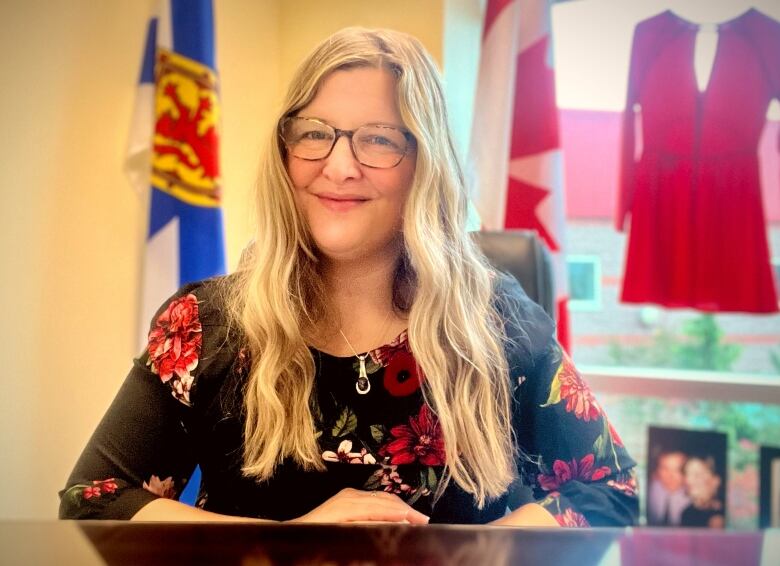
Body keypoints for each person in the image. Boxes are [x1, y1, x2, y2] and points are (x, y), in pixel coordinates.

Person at [59, 27, 638, 526]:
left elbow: (610, 491)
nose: (338, 167)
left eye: (378, 140)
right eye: (315, 133)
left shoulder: (492, 322)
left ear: (424, 165)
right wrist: (293, 542)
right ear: (285, 153)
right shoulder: (205, 325)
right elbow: (93, 501)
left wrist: (474, 552)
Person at [647, 450, 690, 526]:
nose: (670, 476)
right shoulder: (650, 489)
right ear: (657, 470)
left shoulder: (692, 497)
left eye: (677, 470)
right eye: (665, 468)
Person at [680, 457, 724, 528]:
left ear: (716, 480)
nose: (688, 480)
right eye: (686, 474)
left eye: (697, 475)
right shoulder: (687, 513)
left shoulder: (726, 515)